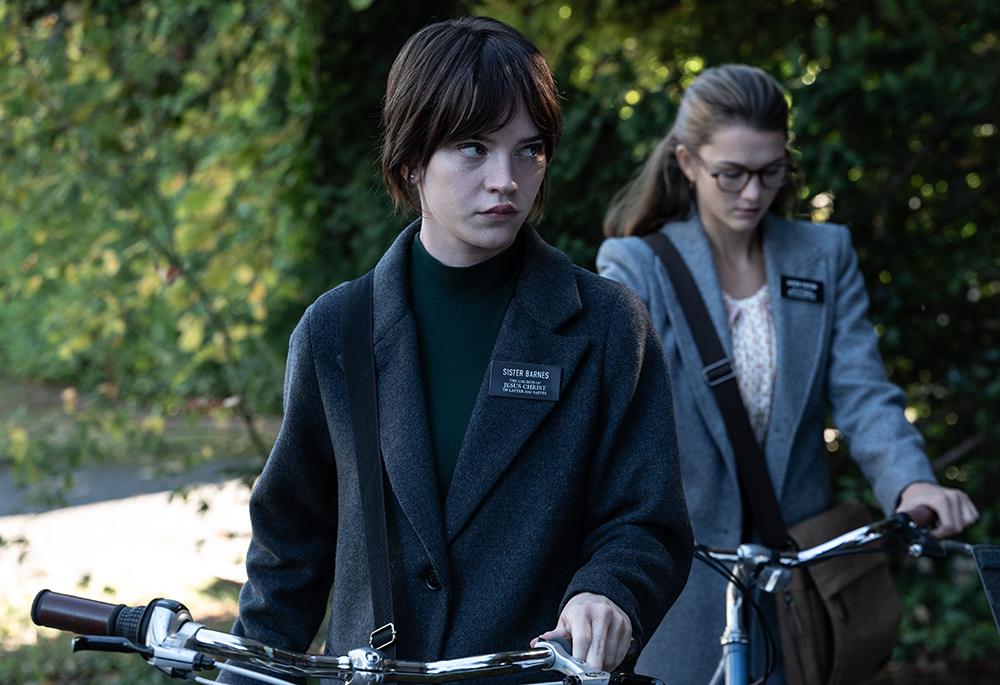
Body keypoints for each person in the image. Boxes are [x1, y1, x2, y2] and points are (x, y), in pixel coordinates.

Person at [220, 16, 693, 685]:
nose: (506, 179)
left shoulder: (609, 324)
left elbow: (645, 523)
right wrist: (248, 675)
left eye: (529, 150)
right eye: (473, 148)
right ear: (410, 159)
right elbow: (289, 546)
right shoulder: (337, 329)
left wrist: (609, 590)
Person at [597, 64, 979, 684]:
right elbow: (611, 421)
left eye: (772, 171)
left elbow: (863, 394)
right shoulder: (636, 267)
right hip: (681, 580)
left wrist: (912, 486)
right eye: (732, 174)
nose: (753, 193)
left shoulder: (824, 256)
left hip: (802, 576)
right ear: (688, 162)